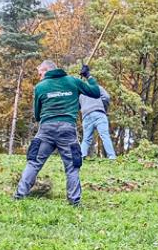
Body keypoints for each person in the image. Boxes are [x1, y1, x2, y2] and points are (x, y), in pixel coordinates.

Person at [15, 61, 101, 207]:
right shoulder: (73, 81)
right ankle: (75, 202)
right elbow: (95, 92)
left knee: (34, 162)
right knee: (72, 166)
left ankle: (19, 195)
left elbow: (37, 115)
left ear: (47, 70)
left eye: (40, 73)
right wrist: (88, 76)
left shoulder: (40, 87)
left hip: (46, 130)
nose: (39, 77)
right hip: (67, 130)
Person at [79, 64, 116, 159]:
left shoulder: (80, 92)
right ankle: (112, 157)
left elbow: (77, 106)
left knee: (86, 139)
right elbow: (107, 97)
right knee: (104, 136)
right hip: (99, 113)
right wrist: (103, 107)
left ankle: (81, 156)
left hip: (86, 115)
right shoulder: (97, 87)